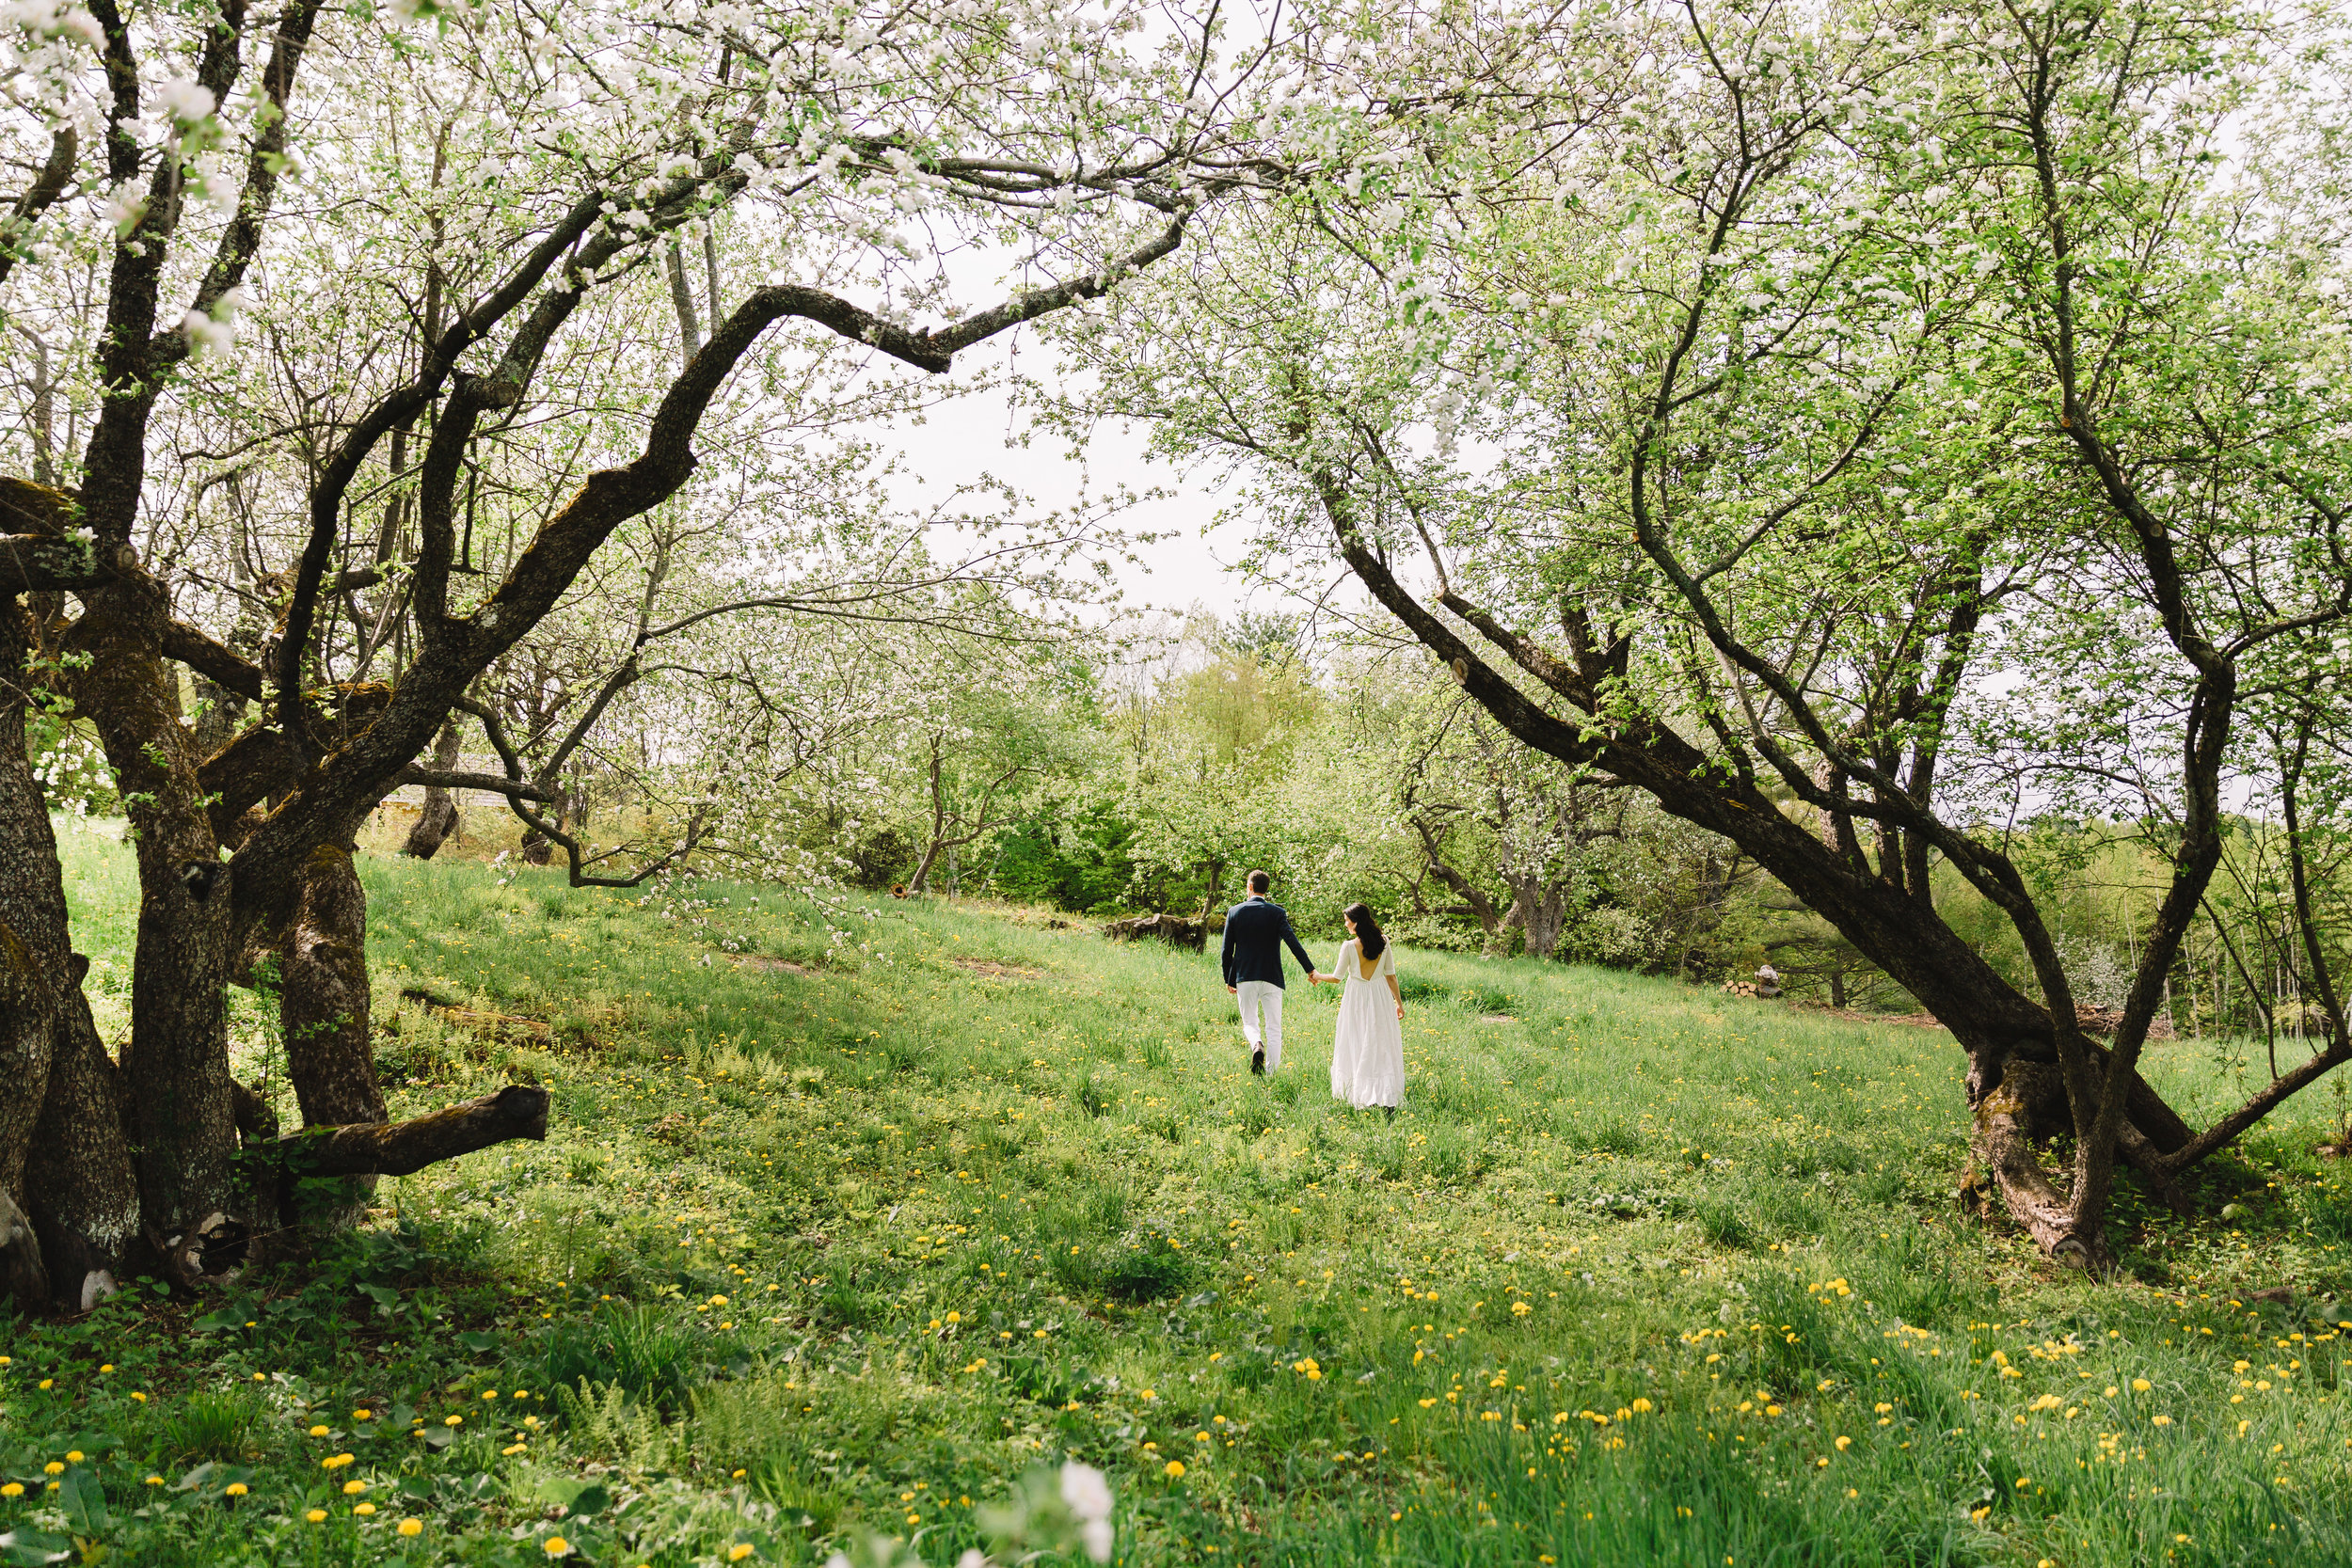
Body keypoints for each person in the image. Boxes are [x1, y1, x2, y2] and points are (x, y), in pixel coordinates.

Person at [1220, 869, 1320, 1076]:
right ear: (1266, 889)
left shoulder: (1235, 912)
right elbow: (1293, 943)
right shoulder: (1277, 913)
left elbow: (1226, 950)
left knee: (1249, 1022)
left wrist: (1229, 979)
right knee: (1274, 1027)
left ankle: (1256, 1044)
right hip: (1272, 977)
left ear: (1249, 887)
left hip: (1245, 977)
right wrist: (1310, 969)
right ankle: (1271, 1074)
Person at [1313, 901, 1404, 1117]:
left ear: (1356, 923)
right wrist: (1399, 1003)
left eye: (1347, 921)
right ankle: (1381, 1091)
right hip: (1380, 995)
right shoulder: (1384, 941)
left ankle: (1359, 1090)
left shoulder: (1349, 946)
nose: (1345, 925)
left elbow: (1336, 978)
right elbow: (1390, 975)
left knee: (1355, 1040)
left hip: (1356, 998)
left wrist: (1317, 976)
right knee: (1378, 1042)